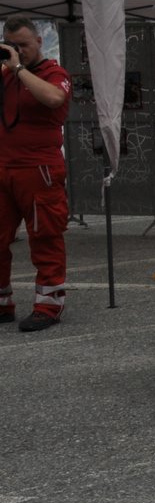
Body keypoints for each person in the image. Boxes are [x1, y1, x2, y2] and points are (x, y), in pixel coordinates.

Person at [0, 17, 71, 330]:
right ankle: (3, 303)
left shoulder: (53, 73)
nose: (18, 51)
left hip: (38, 170)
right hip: (4, 167)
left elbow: (55, 98)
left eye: (23, 45)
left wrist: (18, 69)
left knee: (44, 236)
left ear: (39, 42)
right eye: (11, 45)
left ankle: (49, 305)